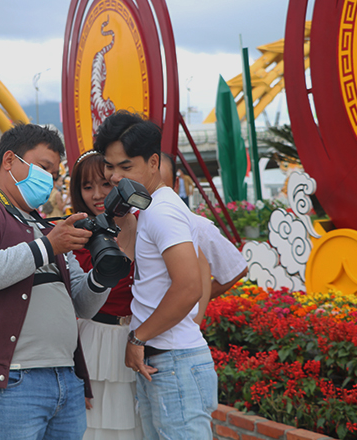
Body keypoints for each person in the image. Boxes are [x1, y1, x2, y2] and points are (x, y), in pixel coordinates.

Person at [0, 123, 121, 440]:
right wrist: (49, 246)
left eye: (54, 171)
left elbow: (83, 304)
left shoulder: (43, 224)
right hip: (10, 379)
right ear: (9, 160)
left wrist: (101, 278)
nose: (49, 178)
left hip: (65, 376)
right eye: (43, 167)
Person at [94, 110, 218, 440]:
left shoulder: (162, 210)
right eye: (109, 166)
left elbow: (189, 285)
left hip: (173, 361)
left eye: (125, 166)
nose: (115, 176)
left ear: (152, 162)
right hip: (164, 361)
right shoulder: (148, 208)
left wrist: (138, 338)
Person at [69, 151, 143, 439]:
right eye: (87, 187)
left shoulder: (146, 222)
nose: (97, 195)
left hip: (139, 339)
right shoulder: (75, 233)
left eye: (105, 184)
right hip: (92, 340)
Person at [159, 153, 248, 323]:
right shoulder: (131, 222)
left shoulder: (198, 226)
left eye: (161, 187)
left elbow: (236, 269)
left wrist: (194, 301)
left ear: (176, 185)